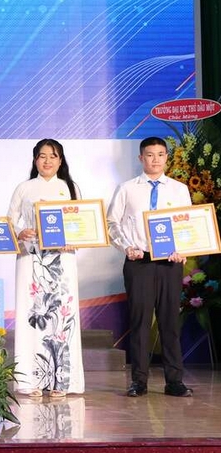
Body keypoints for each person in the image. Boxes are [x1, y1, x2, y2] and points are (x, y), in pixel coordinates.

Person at [106, 137, 193, 398]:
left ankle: (174, 381)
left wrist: (183, 249)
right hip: (139, 262)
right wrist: (127, 248)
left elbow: (188, 225)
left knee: (170, 323)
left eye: (160, 154)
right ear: (140, 158)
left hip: (169, 263)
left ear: (167, 157)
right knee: (140, 322)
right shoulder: (127, 189)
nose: (155, 159)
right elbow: (112, 224)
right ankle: (139, 381)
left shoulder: (179, 189)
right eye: (150, 154)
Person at [7, 139, 84, 398]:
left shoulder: (70, 188)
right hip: (31, 258)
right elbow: (9, 221)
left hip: (62, 259)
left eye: (53, 156)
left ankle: (61, 381)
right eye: (42, 156)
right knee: (33, 314)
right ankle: (30, 380)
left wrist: (73, 238)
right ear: (35, 160)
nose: (47, 161)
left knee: (62, 316)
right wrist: (21, 231)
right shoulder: (24, 187)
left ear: (61, 160)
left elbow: (80, 221)